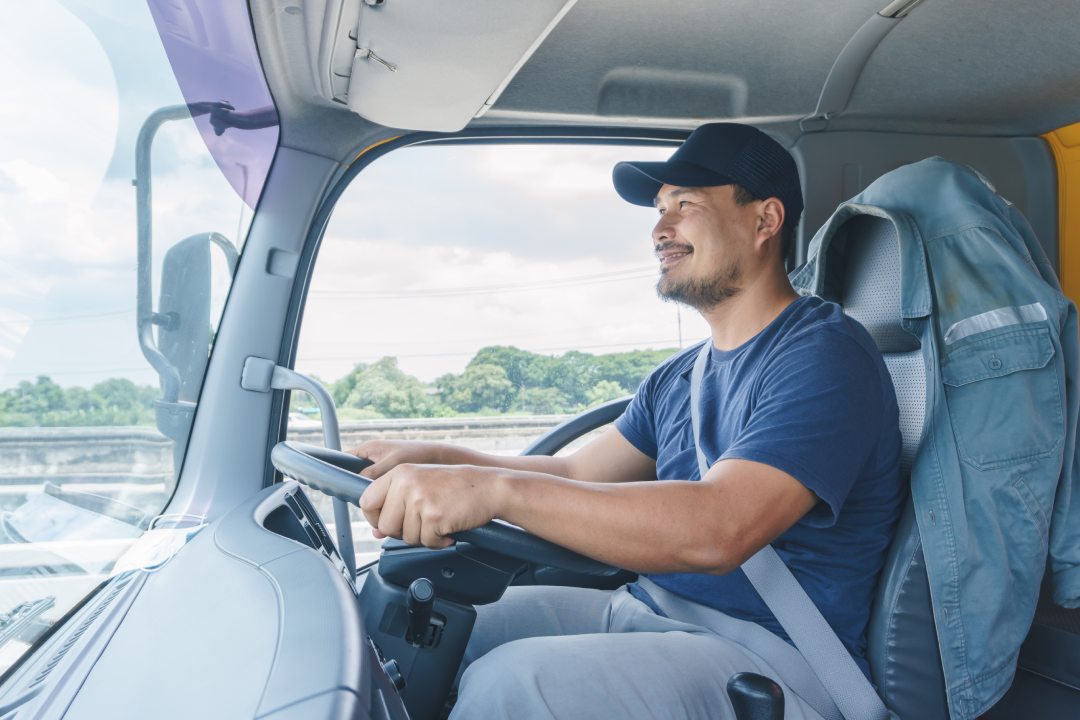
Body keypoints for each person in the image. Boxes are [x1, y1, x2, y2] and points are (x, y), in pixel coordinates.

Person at [352, 122, 904, 719]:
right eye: (660, 210)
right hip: (649, 608)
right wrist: (440, 460)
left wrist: (493, 491)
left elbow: (720, 527)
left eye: (685, 206)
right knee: (412, 622)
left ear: (765, 220)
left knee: (513, 685)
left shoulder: (825, 354)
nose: (660, 229)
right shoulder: (680, 377)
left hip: (771, 656)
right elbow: (575, 470)